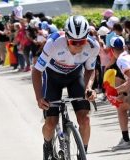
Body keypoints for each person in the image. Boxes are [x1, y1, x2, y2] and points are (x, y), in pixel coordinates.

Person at [32, 15, 99, 160]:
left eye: (82, 41)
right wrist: (39, 98)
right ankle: (48, 145)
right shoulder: (53, 43)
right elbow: (37, 71)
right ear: (66, 38)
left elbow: (90, 69)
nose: (79, 45)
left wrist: (89, 88)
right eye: (74, 42)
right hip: (52, 78)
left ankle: (82, 154)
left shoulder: (93, 46)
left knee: (85, 119)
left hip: (75, 77)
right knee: (51, 123)